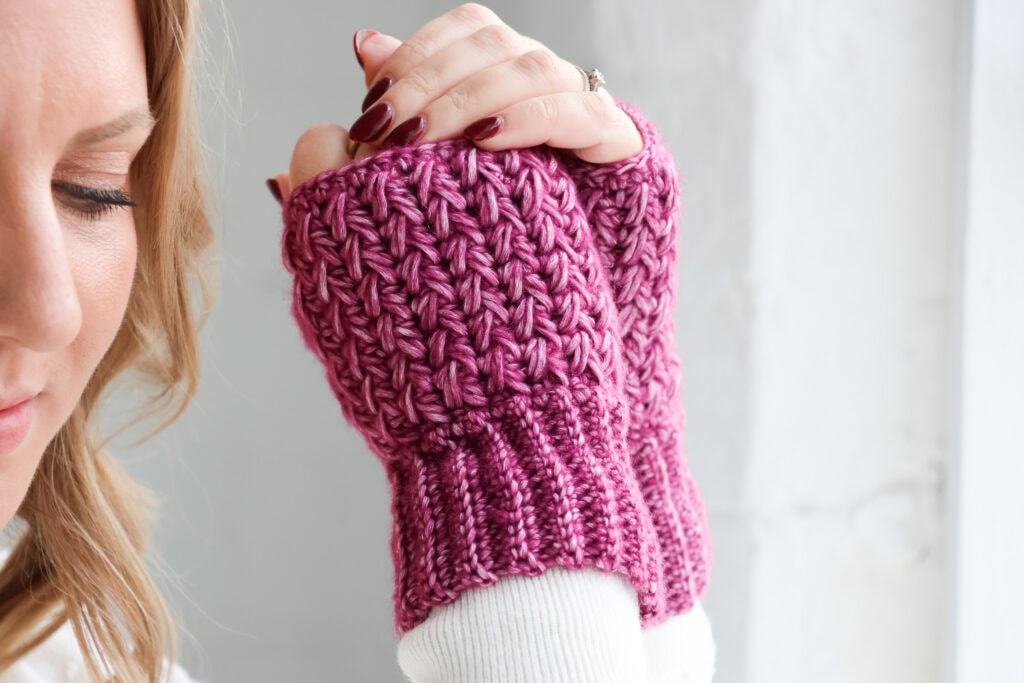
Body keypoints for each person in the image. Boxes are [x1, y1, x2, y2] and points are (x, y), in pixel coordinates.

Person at [0, 0, 714, 681]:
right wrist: (510, 452)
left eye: (91, 189)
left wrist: (618, 425)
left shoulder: (69, 664)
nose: (49, 309)